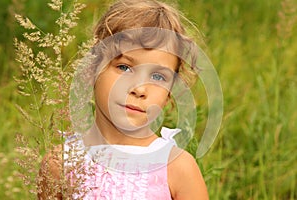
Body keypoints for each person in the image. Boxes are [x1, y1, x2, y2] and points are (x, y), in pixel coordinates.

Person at [38, 0, 209, 199]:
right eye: (124, 67)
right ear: (92, 68)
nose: (139, 89)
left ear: (169, 93)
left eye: (158, 77)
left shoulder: (177, 168)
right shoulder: (60, 163)